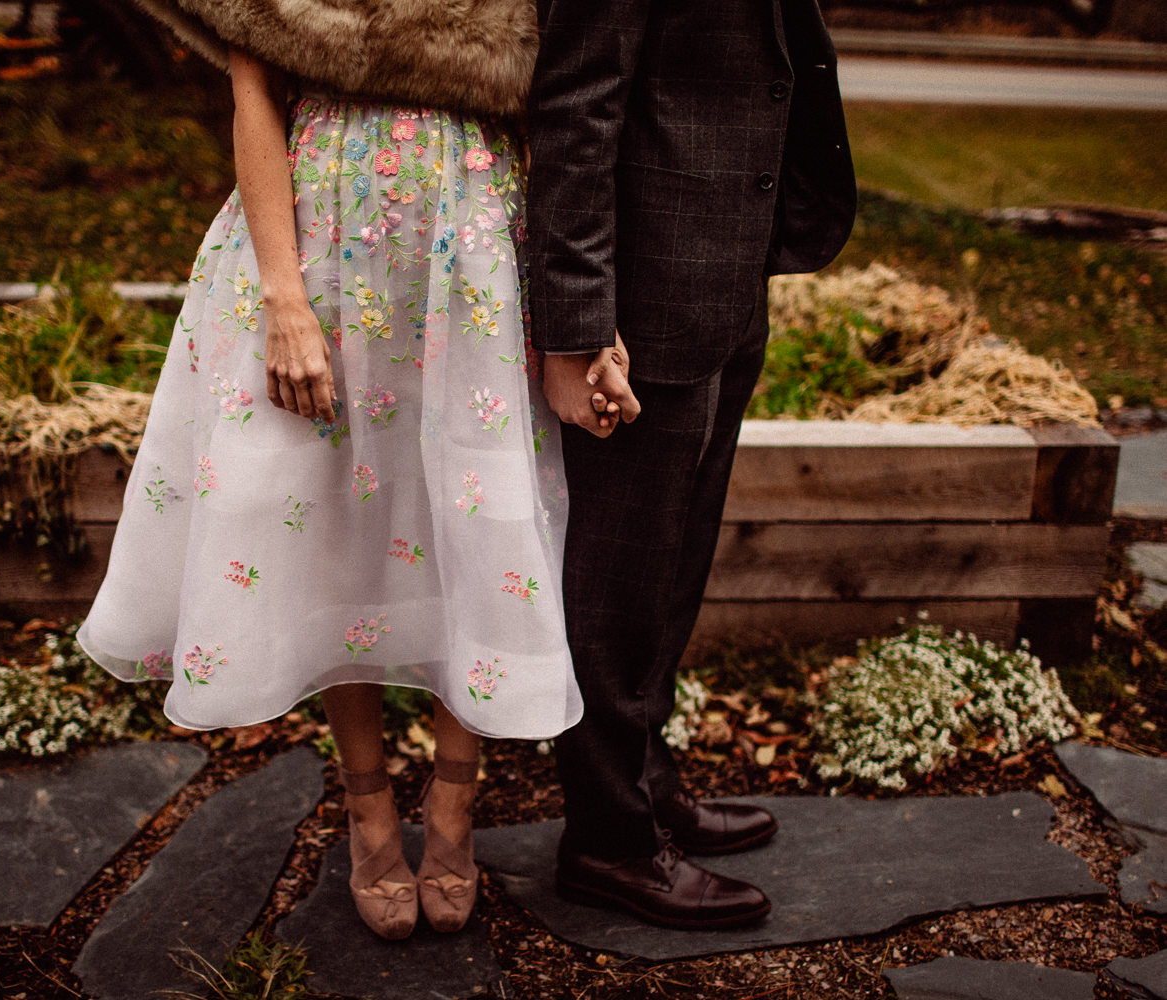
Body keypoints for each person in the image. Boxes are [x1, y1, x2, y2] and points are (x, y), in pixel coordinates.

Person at [78, 0, 596, 941]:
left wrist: (587, 311)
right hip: (318, 250)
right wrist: (284, 298)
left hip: (475, 258)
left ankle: (452, 797)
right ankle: (366, 806)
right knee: (320, 517)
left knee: (476, 512)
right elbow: (255, 100)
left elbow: (567, 114)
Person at [526, 0, 858, 929]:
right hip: (641, 291)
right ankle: (607, 839)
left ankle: (644, 778)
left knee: (673, 565)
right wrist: (580, 324)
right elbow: (576, 106)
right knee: (618, 583)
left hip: (725, 266)